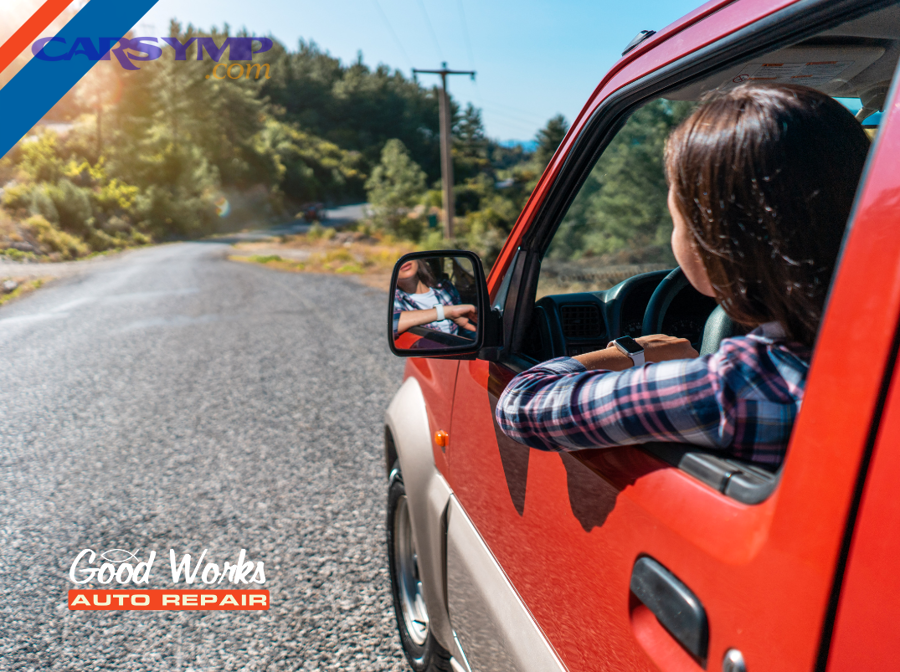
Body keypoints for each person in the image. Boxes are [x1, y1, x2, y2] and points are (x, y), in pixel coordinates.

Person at [495, 84, 870, 468]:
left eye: (677, 219)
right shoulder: (874, 357)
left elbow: (521, 404)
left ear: (716, 241)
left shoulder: (732, 388)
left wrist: (633, 353)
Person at [393, 258, 477, 338]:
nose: (402, 260)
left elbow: (464, 328)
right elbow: (391, 324)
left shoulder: (446, 288)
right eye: (394, 257)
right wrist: (445, 312)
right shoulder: (395, 299)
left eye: (404, 254)